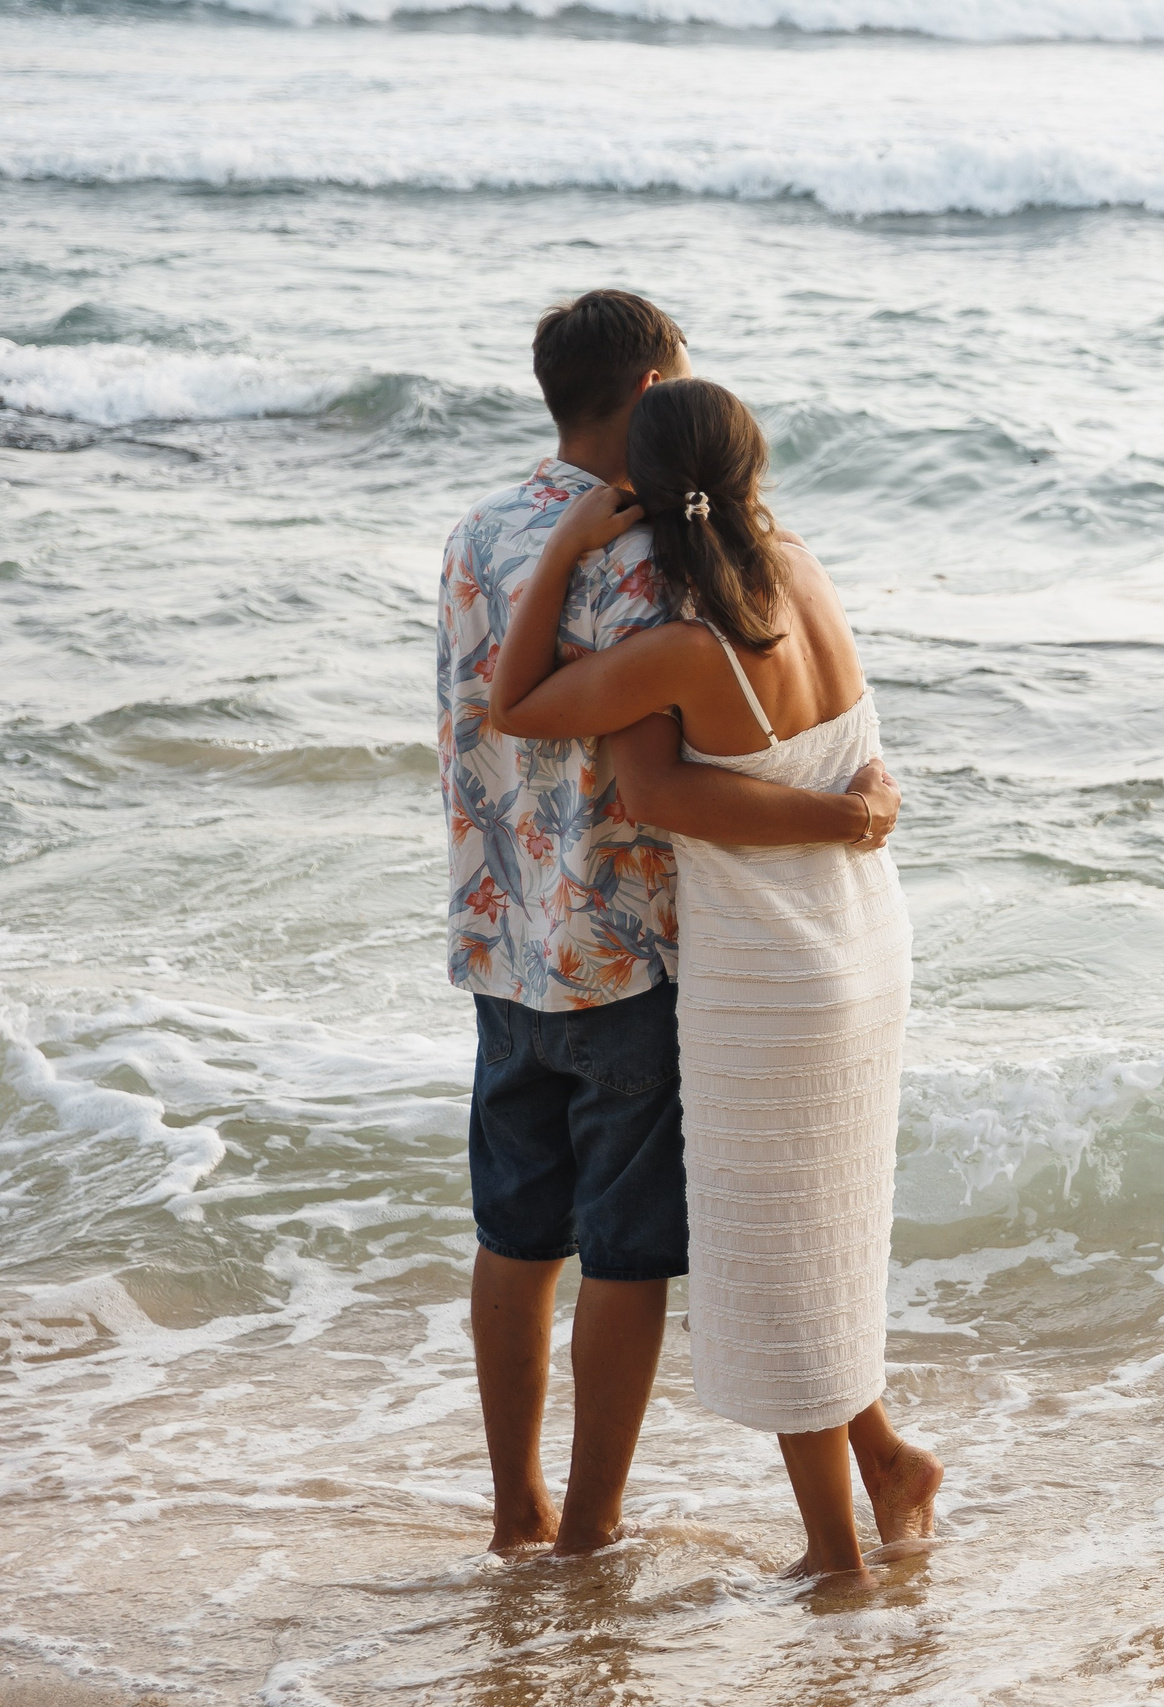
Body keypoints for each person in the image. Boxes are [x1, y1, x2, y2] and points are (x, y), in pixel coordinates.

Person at [439, 290, 901, 1559]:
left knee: (513, 1236)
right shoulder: (660, 565)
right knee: (626, 1254)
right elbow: (667, 776)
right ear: (652, 394)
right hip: (633, 952)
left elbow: (484, 713)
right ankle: (589, 1531)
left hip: (502, 937)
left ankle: (515, 1512)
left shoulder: (478, 534)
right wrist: (846, 821)